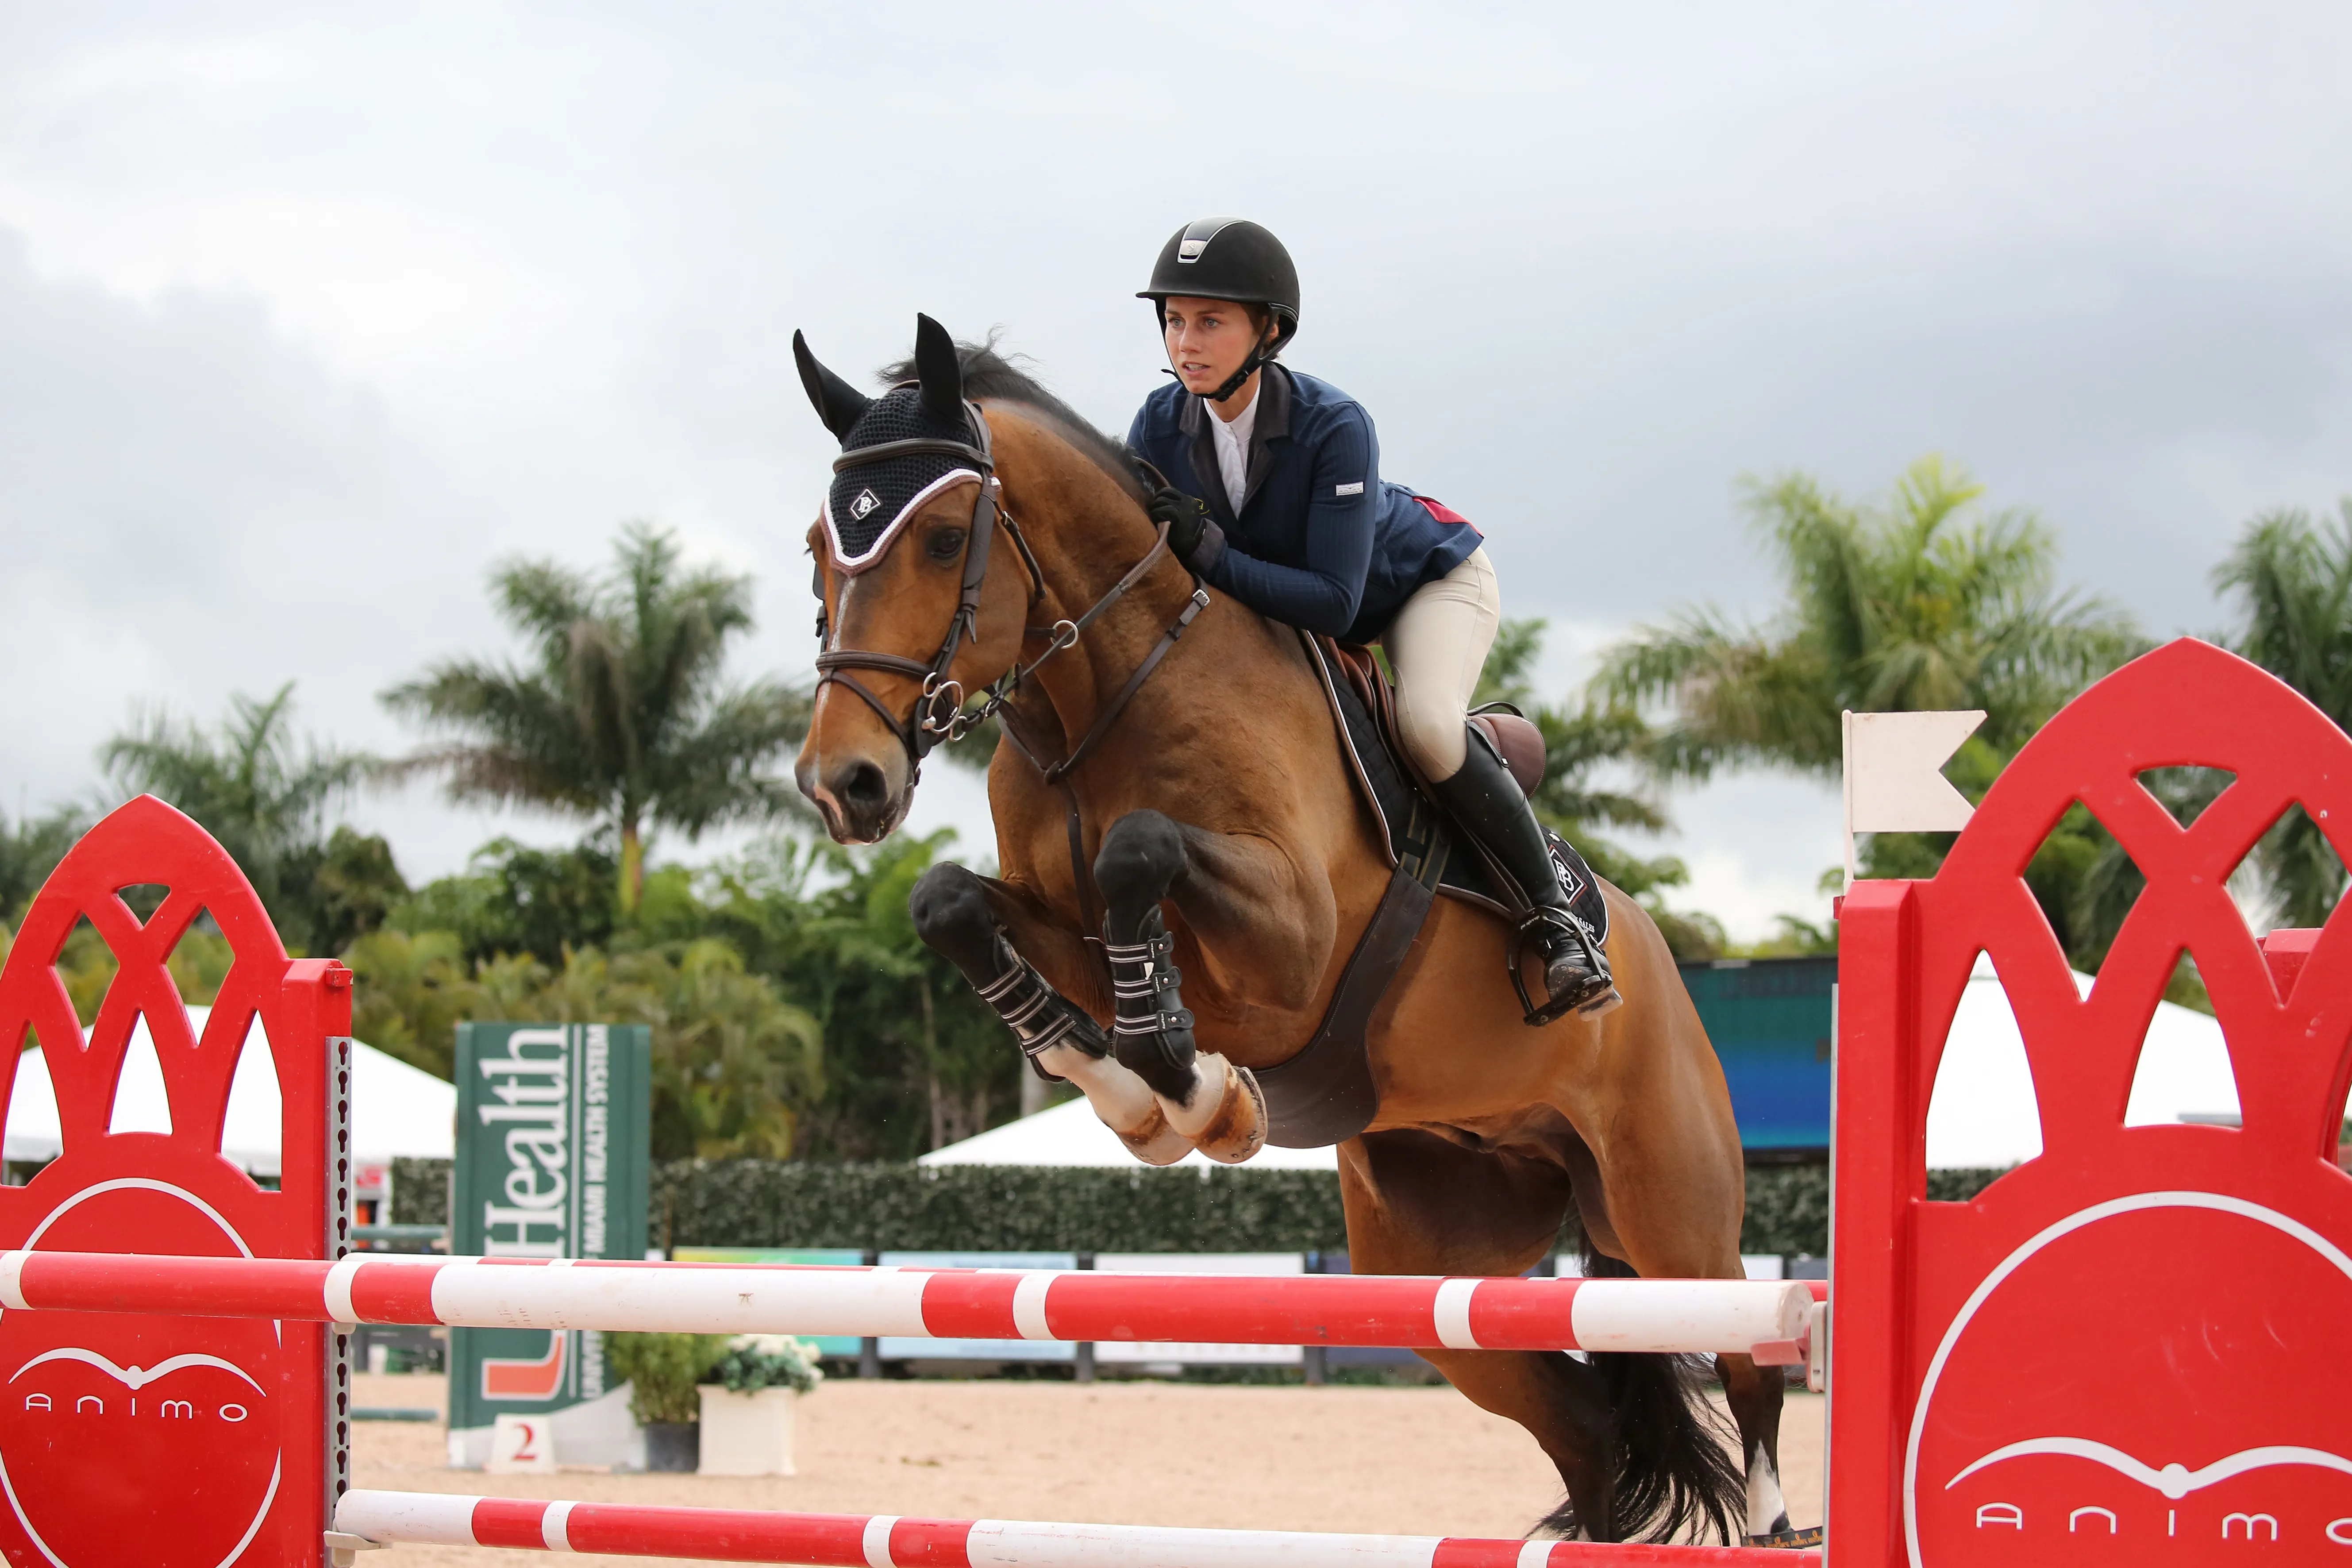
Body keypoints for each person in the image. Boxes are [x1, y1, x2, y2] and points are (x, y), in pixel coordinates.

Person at [1126, 217, 1615, 1022]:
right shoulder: (1157, 425)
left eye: (1210, 321)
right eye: (1175, 320)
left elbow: (1333, 603)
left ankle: (1557, 920)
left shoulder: (1333, 423)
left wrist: (1208, 551)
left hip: (1420, 585)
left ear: (1270, 330)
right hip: (1287, 618)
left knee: (1425, 726)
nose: (1187, 341)